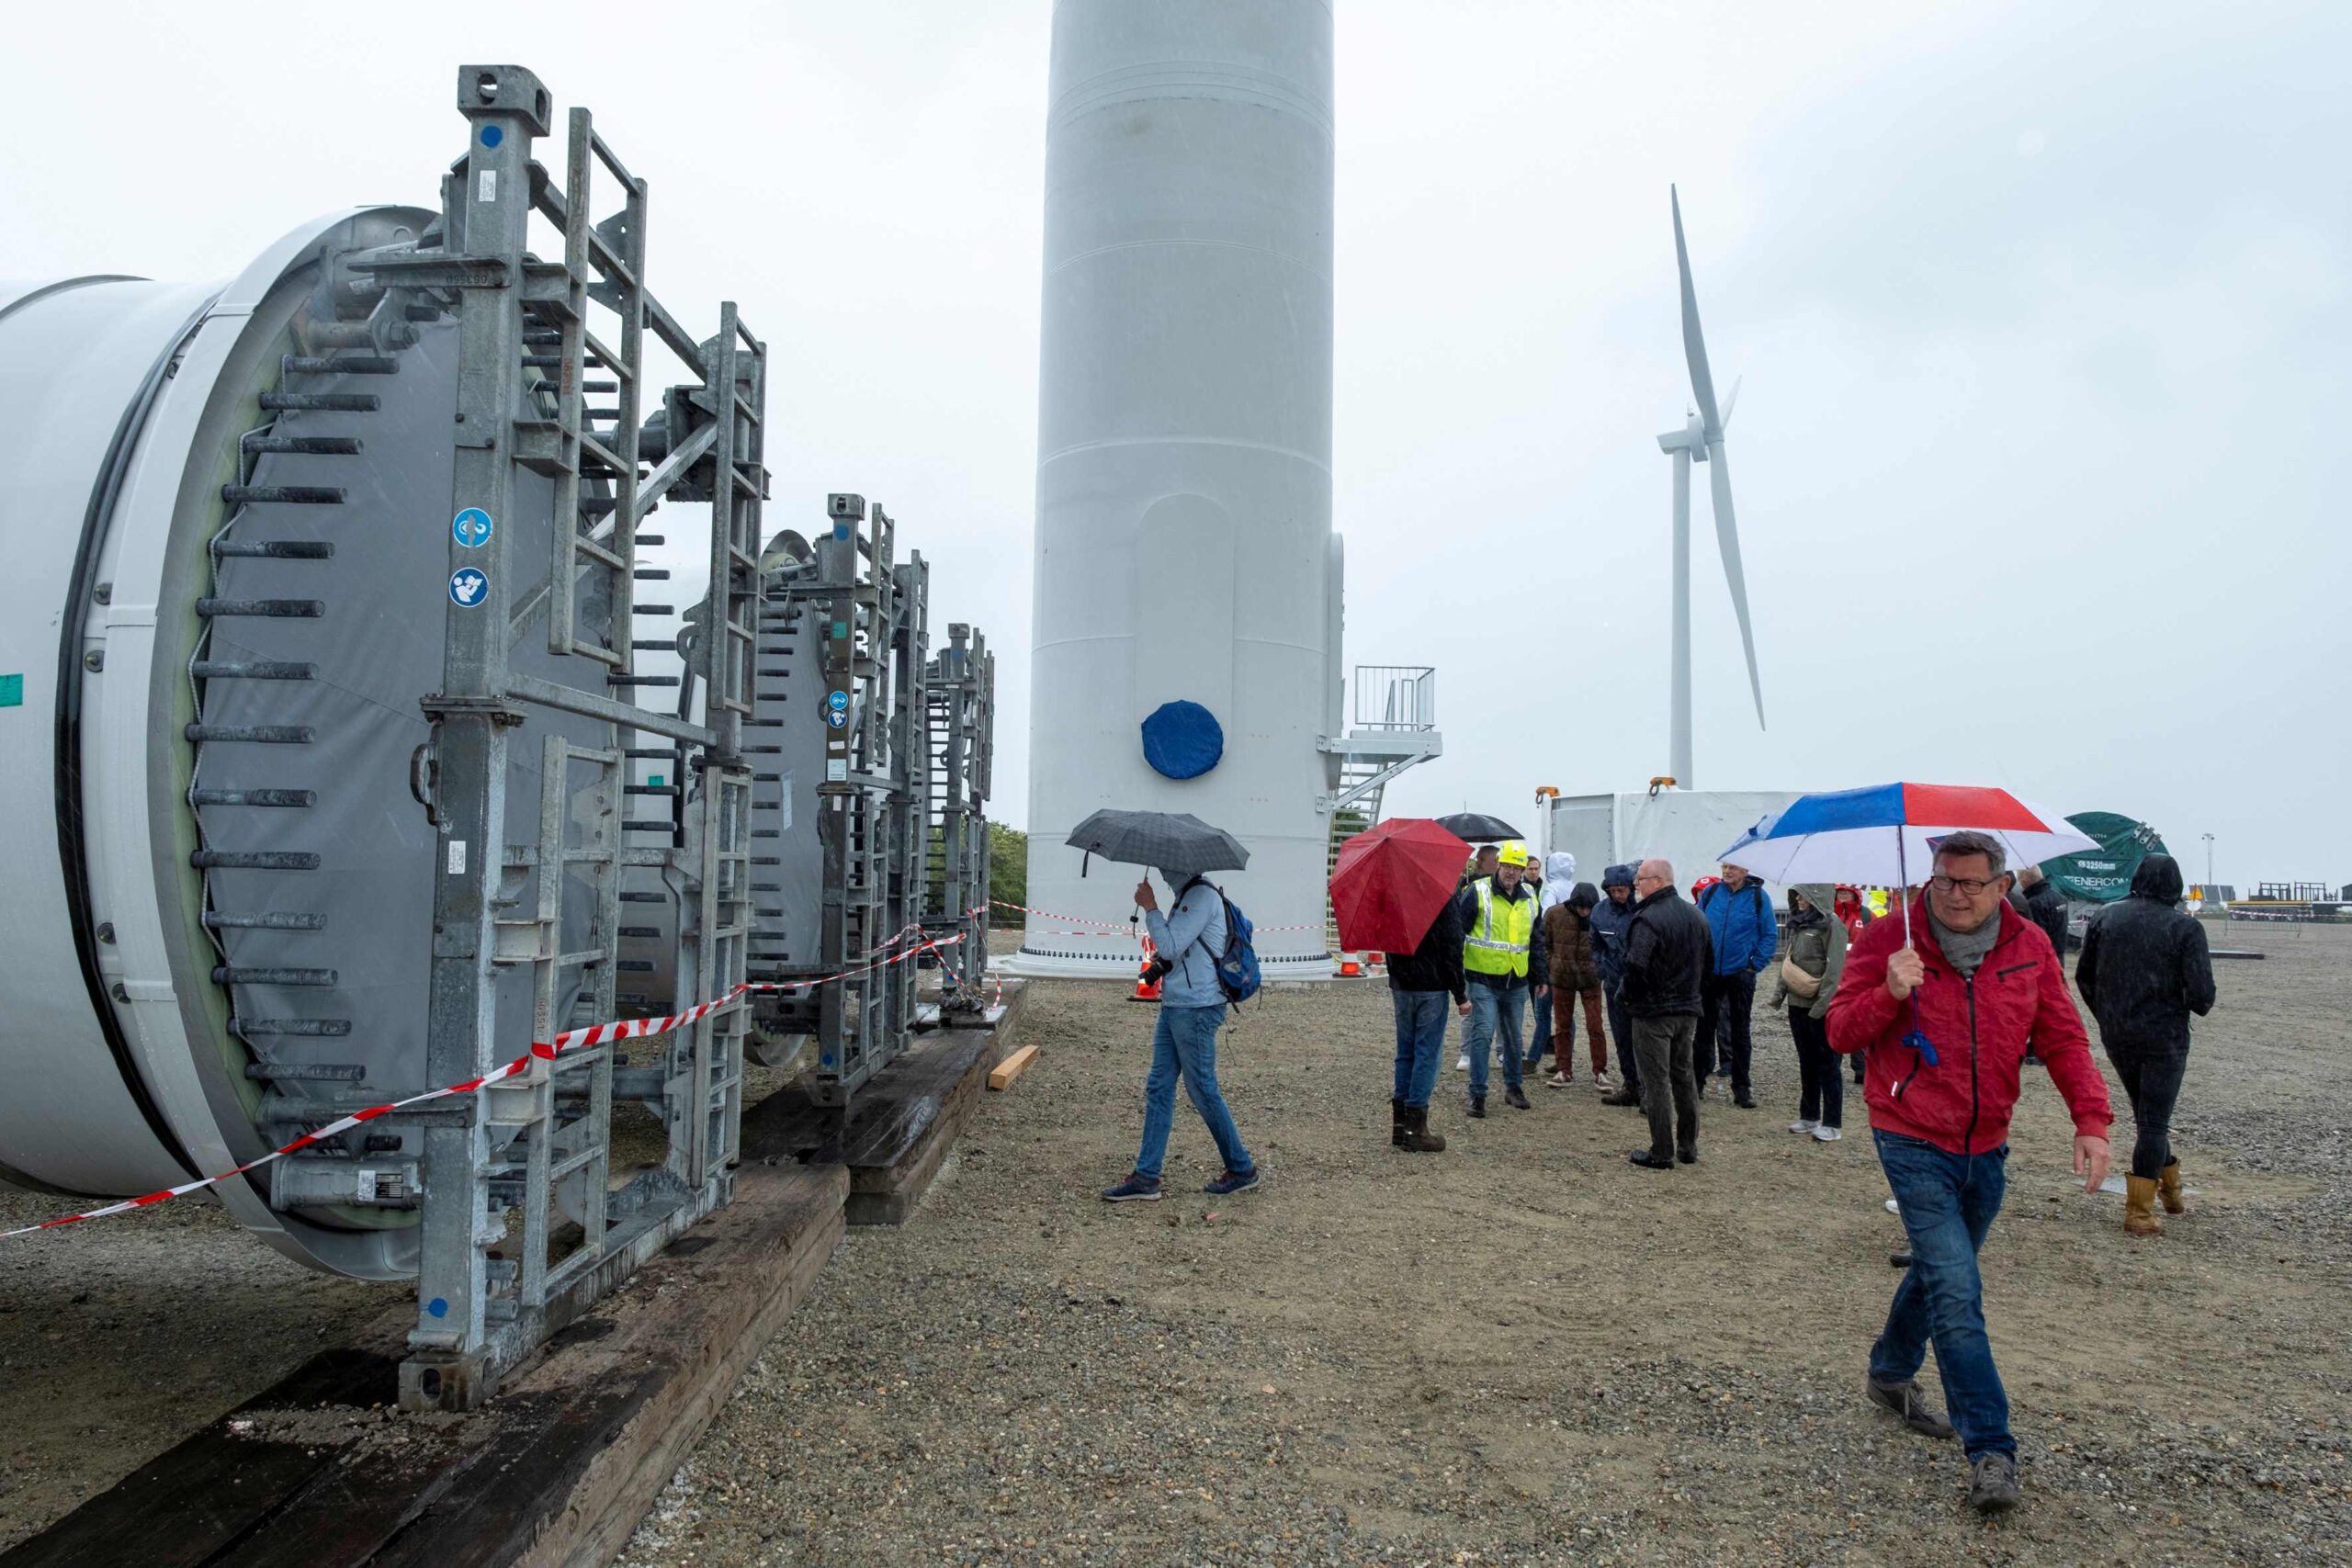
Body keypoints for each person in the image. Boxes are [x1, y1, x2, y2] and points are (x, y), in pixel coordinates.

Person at [1828, 831, 2112, 1515]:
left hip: (1987, 1142)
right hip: (1909, 1133)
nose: (1954, 895)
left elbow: (2063, 1036)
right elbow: (1839, 1031)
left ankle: (1889, 1372)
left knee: (1940, 1271)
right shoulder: (1888, 939)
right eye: (1943, 880)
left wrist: (2091, 1119)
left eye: (1970, 883)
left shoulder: (2028, 945)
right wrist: (1888, 992)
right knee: (1957, 1290)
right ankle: (1991, 1448)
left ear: (2002, 885)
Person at [2075, 852, 2216, 1237]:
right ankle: (2139, 1213)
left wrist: (2108, 1014)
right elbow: (2202, 998)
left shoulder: (2105, 917)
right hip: (2163, 1037)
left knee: (2147, 1115)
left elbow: (2084, 977)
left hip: (2118, 1033)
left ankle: (2172, 1194)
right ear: (2175, 885)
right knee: (2153, 1122)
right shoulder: (2184, 928)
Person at [1102, 871, 1260, 1201]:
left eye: (1166, 866)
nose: (1162, 871)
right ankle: (1146, 1176)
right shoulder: (1188, 895)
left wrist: (1150, 907)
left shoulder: (1200, 896)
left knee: (1202, 1087)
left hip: (1196, 1007)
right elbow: (1181, 949)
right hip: (1179, 1004)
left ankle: (1241, 1167)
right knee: (1159, 1085)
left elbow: (1172, 947)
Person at [1620, 859, 1711, 1168]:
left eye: (1640, 879)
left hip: (1653, 1012)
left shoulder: (1648, 919)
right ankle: (1688, 1146)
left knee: (1656, 1081)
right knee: (1684, 1076)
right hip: (1687, 1009)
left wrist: (1628, 998)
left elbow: (1635, 966)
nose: (1636, 884)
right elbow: (1708, 964)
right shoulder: (1697, 916)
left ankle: (1661, 1151)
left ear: (1658, 881)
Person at [1452, 839, 1547, 1117]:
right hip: (1483, 978)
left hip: (1516, 979)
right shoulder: (1477, 891)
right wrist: (1457, 978)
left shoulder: (1530, 895)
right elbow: (1458, 933)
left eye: (1517, 868)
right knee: (1482, 1035)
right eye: (1507, 866)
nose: (1511, 872)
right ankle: (1478, 1094)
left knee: (1514, 1038)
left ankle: (1513, 1087)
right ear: (1498, 865)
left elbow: (1536, 939)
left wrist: (1541, 975)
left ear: (1522, 871)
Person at [1385, 886, 1467, 1154]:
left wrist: (1395, 973)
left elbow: (1385, 937)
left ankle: (1400, 1125)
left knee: (1405, 1052)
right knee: (1426, 1054)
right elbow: (1452, 946)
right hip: (1431, 985)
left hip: (1402, 984)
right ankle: (1416, 1128)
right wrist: (1460, 993)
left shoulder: (1395, 893)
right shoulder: (1442, 894)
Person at [1764, 885, 1848, 1141]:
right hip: (1797, 1004)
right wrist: (1779, 995)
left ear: (1817, 895)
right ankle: (1809, 1116)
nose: (1799, 899)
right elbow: (1789, 962)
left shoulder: (1832, 925)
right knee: (1806, 1061)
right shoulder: (1799, 923)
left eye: (1804, 894)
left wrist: (1823, 1006)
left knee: (1828, 1064)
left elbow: (1835, 970)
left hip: (1820, 1007)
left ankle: (1832, 1123)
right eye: (1797, 894)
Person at [1696, 861, 1777, 1108]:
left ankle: (1742, 1087)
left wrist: (1753, 966)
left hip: (1740, 973)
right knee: (1703, 1029)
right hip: (1710, 973)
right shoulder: (1711, 893)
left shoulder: (1758, 897)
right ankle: (1696, 1082)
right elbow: (1697, 925)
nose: (1727, 871)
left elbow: (1769, 934)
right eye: (1725, 867)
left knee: (1740, 1031)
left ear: (1745, 871)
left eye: (1733, 867)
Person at [1541, 881, 1612, 1090]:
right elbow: (1544, 942)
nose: (1584, 912)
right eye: (1581, 907)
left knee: (1595, 1025)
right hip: (1562, 978)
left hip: (1591, 979)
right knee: (1562, 1026)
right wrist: (1552, 964)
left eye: (1588, 908)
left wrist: (1600, 968)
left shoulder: (1599, 916)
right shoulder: (1554, 914)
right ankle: (1563, 1070)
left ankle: (1600, 1072)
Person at [1592, 863, 1644, 1106]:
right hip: (1613, 984)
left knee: (1643, 1038)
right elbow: (1594, 943)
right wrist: (1601, 968)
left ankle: (1647, 1089)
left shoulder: (1642, 909)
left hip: (1640, 985)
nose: (1618, 894)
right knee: (1621, 1037)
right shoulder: (1599, 912)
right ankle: (1630, 1084)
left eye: (1622, 890)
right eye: (1613, 890)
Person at [1521, 852, 1564, 1071]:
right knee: (1542, 1006)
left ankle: (1542, 1053)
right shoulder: (1523, 890)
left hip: (1546, 956)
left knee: (1548, 1008)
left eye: (1536, 868)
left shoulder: (1547, 891)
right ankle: (1551, 1045)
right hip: (1532, 956)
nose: (1534, 872)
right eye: (1530, 868)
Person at [1835, 886, 1874, 1084]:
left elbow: (1877, 941)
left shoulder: (1866, 916)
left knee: (1857, 1019)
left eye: (1846, 891)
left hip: (1857, 976)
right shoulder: (1829, 914)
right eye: (1839, 891)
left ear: (1855, 894)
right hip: (1833, 975)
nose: (1843, 894)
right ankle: (1832, 1067)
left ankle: (1861, 1069)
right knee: (1834, 1020)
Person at [2018, 864, 2070, 960]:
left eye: (2020, 882)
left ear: (2024, 881)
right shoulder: (2061, 898)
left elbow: (2036, 937)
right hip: (2059, 954)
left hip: (2043, 958)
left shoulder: (2033, 904)